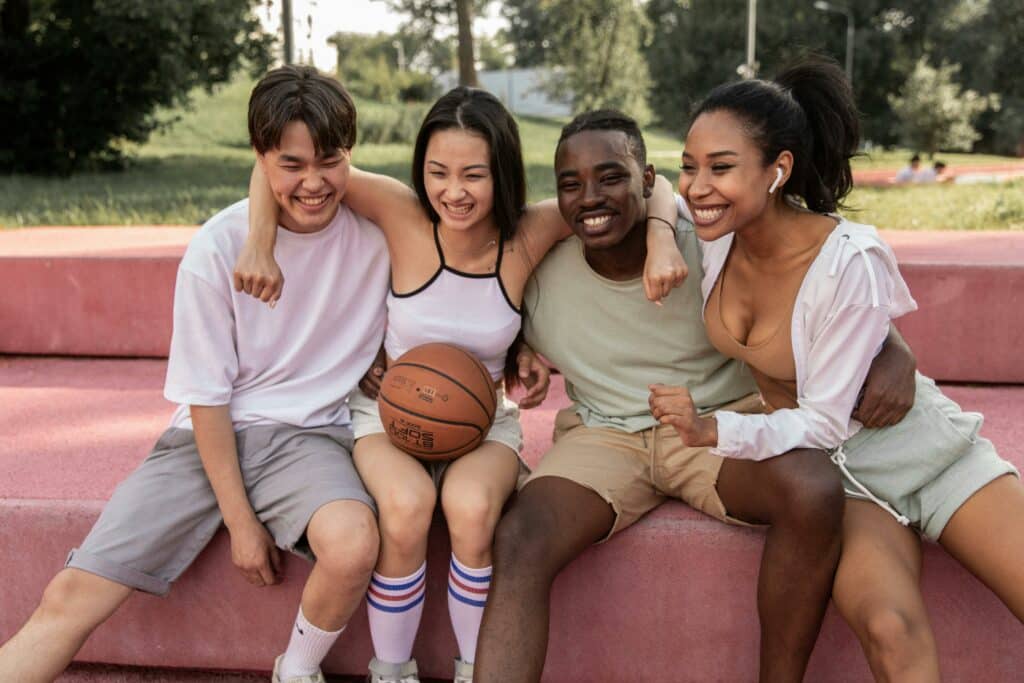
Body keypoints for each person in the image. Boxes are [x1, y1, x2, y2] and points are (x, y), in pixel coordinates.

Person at [233, 88, 686, 683]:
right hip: (385, 417)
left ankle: (477, 669)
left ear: (501, 172)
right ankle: (391, 671)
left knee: (472, 511)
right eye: (438, 172)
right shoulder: (401, 212)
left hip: (482, 423)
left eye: (474, 174)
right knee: (406, 505)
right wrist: (259, 245)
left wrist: (661, 238)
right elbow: (276, 165)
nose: (454, 191)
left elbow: (657, 186)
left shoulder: (529, 233)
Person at [471, 110, 918, 683]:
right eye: (570, 184)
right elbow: (474, 319)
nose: (590, 197)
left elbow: (820, 265)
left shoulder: (710, 241)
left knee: (810, 487)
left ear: (648, 180)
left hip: (717, 427)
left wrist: (892, 343)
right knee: (521, 534)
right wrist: (519, 353)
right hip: (604, 437)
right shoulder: (539, 273)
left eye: (610, 177)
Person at [0, 66, 389, 683]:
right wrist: (240, 523)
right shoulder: (218, 246)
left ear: (351, 157)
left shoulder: (378, 235)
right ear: (260, 159)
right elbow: (207, 399)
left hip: (309, 439)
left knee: (353, 544)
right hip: (205, 437)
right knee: (68, 597)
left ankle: (297, 669)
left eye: (331, 161)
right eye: (291, 165)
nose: (314, 183)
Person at [655, 56, 1024, 681]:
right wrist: (663, 236)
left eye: (721, 168)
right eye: (690, 166)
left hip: (921, 454)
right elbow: (651, 190)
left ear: (779, 171)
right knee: (889, 628)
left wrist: (715, 431)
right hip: (844, 484)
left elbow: (823, 421)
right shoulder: (715, 231)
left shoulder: (848, 258)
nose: (697, 186)